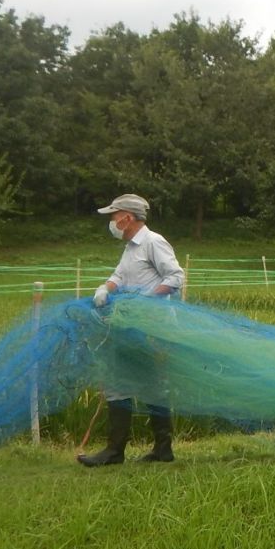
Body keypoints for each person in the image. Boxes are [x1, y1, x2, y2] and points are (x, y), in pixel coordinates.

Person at [78, 193, 186, 467]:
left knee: (138, 384)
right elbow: (119, 276)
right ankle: (147, 450)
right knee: (129, 383)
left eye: (115, 216)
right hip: (131, 326)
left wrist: (146, 299)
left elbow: (175, 277)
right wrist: (105, 289)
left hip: (152, 328)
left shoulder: (153, 242)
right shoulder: (131, 248)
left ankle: (133, 450)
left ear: (127, 217)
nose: (112, 221)